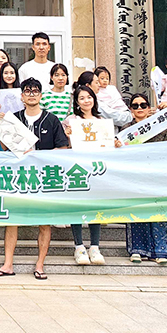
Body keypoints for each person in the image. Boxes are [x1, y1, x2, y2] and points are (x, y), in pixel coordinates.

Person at [0, 78, 69, 280]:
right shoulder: (13, 118)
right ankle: (8, 264)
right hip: (18, 177)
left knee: (44, 222)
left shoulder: (52, 119)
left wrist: (40, 156)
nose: (31, 94)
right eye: (27, 91)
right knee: (12, 220)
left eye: (35, 91)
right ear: (22, 96)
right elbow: (5, 147)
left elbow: (62, 148)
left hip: (43, 178)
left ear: (41, 95)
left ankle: (40, 265)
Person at [118, 93, 167, 265]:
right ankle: (138, 249)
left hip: (158, 174)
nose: (139, 108)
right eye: (135, 106)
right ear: (130, 110)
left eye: (143, 105)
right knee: (137, 210)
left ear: (149, 108)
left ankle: (161, 250)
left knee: (159, 210)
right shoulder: (126, 130)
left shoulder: (160, 123)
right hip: (135, 176)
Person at [62, 85, 107, 265]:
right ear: (76, 102)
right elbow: (63, 145)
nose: (86, 101)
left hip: (96, 169)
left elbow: (107, 145)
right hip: (77, 169)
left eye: (89, 97)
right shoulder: (70, 120)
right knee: (77, 207)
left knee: (95, 207)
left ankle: (95, 246)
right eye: (82, 98)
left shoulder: (101, 121)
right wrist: (66, 135)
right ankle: (79, 246)